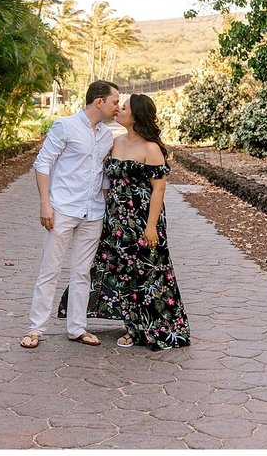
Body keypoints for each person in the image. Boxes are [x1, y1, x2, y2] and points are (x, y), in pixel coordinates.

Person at [59, 93, 191, 350]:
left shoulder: (151, 148)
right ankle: (131, 326)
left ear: (137, 115)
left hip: (143, 222)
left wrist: (151, 226)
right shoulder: (115, 142)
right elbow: (106, 179)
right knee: (122, 273)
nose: (119, 109)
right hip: (117, 222)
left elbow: (159, 191)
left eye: (125, 107)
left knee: (148, 273)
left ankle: (151, 328)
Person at [21, 80, 121, 349]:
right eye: (114, 102)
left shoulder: (107, 135)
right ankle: (35, 329)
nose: (118, 107)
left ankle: (77, 328)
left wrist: (108, 208)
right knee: (50, 270)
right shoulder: (65, 126)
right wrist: (45, 204)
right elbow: (43, 163)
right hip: (63, 209)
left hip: (93, 212)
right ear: (99, 101)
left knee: (82, 273)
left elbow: (103, 176)